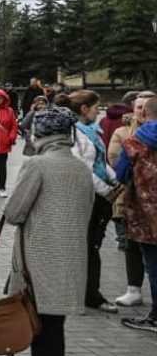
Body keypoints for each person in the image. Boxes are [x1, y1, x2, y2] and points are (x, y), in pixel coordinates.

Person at [3, 106, 94, 356]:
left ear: (39, 134)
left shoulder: (37, 165)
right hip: (70, 261)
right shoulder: (82, 169)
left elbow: (13, 212)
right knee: (52, 326)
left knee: (43, 330)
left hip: (39, 261)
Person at [53, 91, 120, 314]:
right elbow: (81, 168)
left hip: (98, 196)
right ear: (84, 109)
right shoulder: (75, 133)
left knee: (91, 246)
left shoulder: (91, 132)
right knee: (88, 247)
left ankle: (86, 292)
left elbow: (100, 162)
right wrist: (107, 190)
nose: (97, 112)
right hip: (86, 198)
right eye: (95, 108)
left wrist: (114, 179)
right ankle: (88, 294)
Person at [116, 95, 157, 333]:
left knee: (153, 263)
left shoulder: (134, 142)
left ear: (142, 115)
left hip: (146, 213)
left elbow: (121, 174)